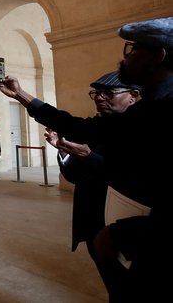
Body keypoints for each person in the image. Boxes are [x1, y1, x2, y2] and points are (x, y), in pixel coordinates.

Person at [0, 16, 173, 301]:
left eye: (133, 49)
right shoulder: (149, 106)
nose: (125, 57)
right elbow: (83, 128)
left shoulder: (164, 106)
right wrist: (21, 95)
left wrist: (127, 233)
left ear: (158, 56)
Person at [45, 71, 140, 276]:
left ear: (133, 96)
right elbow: (75, 176)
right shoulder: (94, 128)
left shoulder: (144, 129)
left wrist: (89, 157)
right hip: (92, 222)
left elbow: (135, 177)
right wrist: (63, 151)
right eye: (96, 92)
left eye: (108, 92)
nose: (99, 97)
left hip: (128, 224)